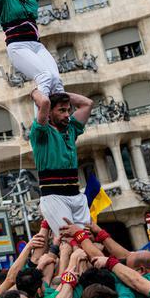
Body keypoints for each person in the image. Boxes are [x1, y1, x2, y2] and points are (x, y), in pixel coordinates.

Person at [27, 91, 94, 230]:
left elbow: (87, 104)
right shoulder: (41, 133)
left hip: (76, 194)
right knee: (71, 243)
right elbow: (44, 102)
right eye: (62, 110)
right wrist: (34, 92)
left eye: (68, 110)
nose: (67, 115)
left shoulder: (71, 129)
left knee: (88, 240)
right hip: (54, 197)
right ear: (49, 113)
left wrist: (62, 92)